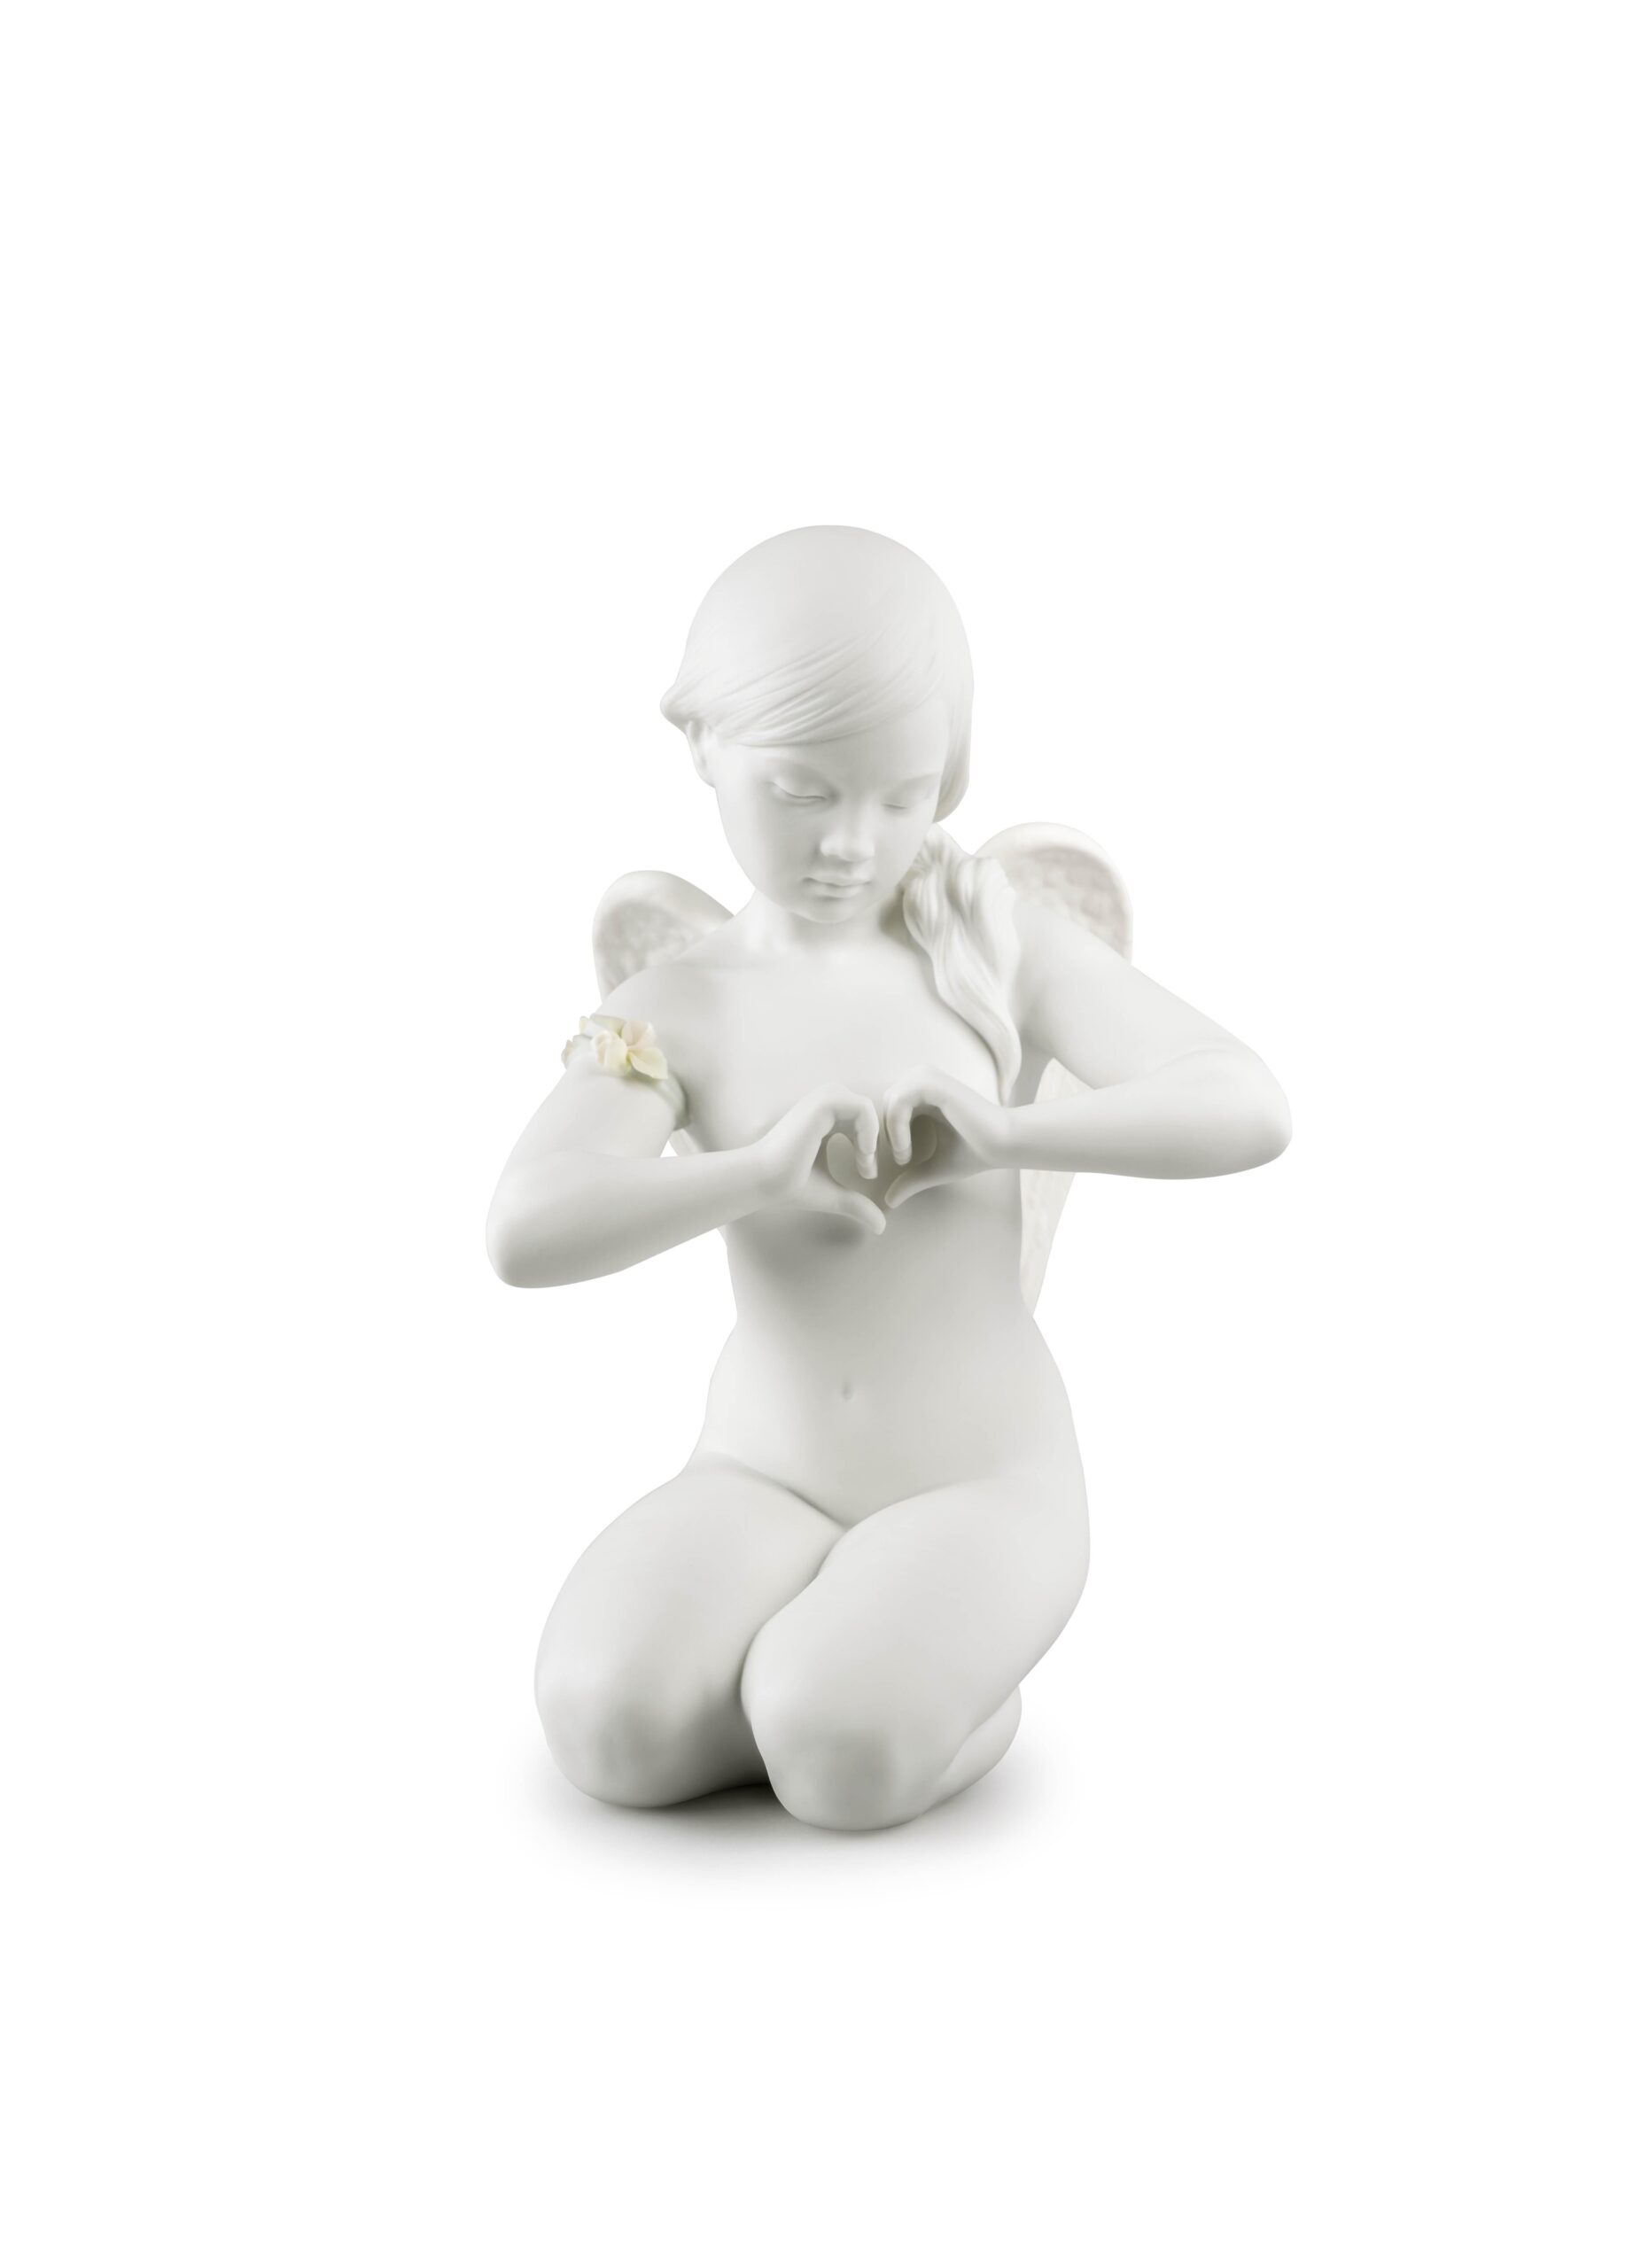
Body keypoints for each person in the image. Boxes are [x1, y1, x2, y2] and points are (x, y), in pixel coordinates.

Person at [486, 527, 1290, 1829]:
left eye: (904, 796)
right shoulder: (679, 1001)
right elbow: (525, 1229)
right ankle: (841, 1636)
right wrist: (751, 1173)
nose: (854, 843)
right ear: (703, 746)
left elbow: (1246, 1102)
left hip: (982, 1476)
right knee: (607, 1725)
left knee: (833, 1750)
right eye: (804, 792)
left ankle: (919, 1678)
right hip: (760, 1467)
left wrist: (1007, 1135)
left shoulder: (995, 943)